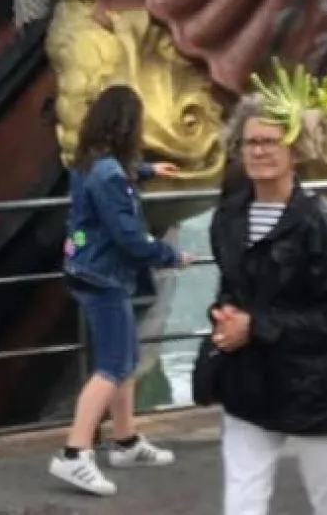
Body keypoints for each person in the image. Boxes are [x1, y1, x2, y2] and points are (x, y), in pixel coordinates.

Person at [205, 97, 327, 515]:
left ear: (296, 149)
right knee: (242, 499)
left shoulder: (323, 225)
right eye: (251, 142)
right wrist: (224, 316)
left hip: (312, 387)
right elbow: (231, 286)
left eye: (271, 142)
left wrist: (254, 326)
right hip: (248, 380)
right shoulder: (228, 218)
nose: (259, 151)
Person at [48, 84, 192, 496]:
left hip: (86, 267)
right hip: (104, 277)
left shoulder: (88, 162)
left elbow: (109, 185)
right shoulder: (109, 174)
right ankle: (74, 452)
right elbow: (128, 236)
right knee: (113, 365)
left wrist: (147, 171)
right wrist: (170, 255)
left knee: (124, 357)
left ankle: (125, 439)